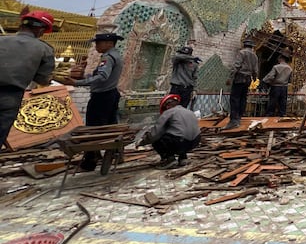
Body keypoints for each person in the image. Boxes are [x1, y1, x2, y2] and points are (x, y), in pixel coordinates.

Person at [63, 32, 125, 171]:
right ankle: (115, 155)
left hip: (102, 97)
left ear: (109, 43)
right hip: (110, 95)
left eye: (98, 42)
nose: (96, 45)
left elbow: (102, 76)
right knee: (110, 127)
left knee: (93, 130)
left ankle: (90, 161)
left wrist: (79, 82)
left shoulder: (108, 57)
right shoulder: (116, 56)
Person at [0, 11, 56, 148]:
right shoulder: (44, 49)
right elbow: (42, 79)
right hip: (10, 96)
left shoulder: (1, 40)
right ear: (40, 29)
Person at [140, 94, 201, 169]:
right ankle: (183, 158)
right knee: (179, 133)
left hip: (179, 142)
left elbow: (155, 133)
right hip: (194, 142)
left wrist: (142, 142)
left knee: (158, 139)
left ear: (167, 106)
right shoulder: (189, 112)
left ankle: (170, 159)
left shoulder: (168, 112)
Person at [224, 38, 258, 129]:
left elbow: (236, 66)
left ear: (244, 45)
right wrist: (254, 79)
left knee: (235, 98)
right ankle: (239, 117)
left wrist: (230, 78)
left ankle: (233, 120)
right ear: (252, 46)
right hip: (248, 79)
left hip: (239, 78)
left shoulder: (242, 53)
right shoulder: (254, 55)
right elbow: (255, 70)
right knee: (243, 98)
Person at [263, 53, 292, 117]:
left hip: (276, 86)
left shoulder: (276, 67)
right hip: (284, 87)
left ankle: (269, 116)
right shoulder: (289, 68)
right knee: (282, 103)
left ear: (281, 58)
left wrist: (267, 82)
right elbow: (290, 79)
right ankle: (282, 115)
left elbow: (270, 77)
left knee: (272, 102)